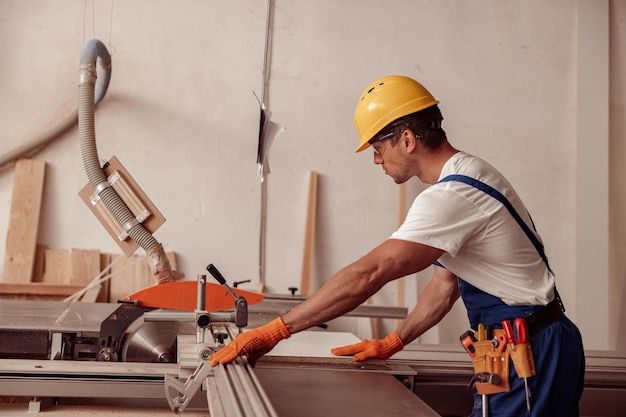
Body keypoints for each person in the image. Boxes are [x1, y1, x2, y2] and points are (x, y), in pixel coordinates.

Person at [210, 75, 585, 416]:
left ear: (407, 139)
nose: (376, 159)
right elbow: (445, 285)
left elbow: (370, 273)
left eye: (377, 147)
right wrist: (394, 340)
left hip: (530, 351)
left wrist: (276, 330)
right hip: (526, 343)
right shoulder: (470, 173)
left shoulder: (451, 195)